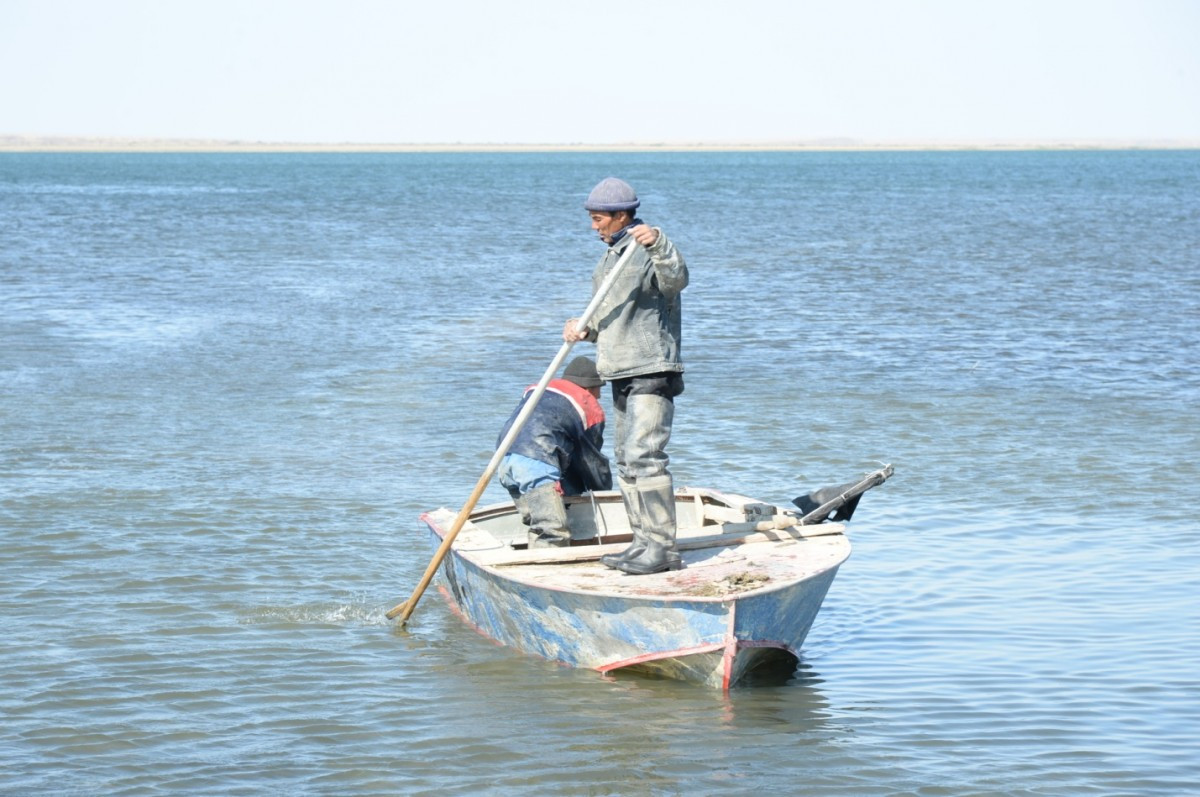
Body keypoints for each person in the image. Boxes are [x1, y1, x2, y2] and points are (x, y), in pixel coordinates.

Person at [563, 177, 688, 575]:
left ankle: (663, 549)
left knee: (645, 456)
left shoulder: (646, 247)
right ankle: (642, 542)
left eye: (599, 219)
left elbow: (677, 278)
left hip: (652, 368)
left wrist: (658, 242)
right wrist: (584, 328)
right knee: (626, 461)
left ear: (622, 216)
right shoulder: (607, 260)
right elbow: (609, 315)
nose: (593, 226)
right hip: (617, 367)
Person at [496, 356, 612, 548]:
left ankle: (533, 564)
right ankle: (544, 576)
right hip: (536, 466)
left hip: (505, 460)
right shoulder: (588, 405)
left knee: (537, 525)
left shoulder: (538, 389)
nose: (599, 396)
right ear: (589, 387)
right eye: (599, 389)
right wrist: (603, 495)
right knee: (552, 532)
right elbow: (590, 461)